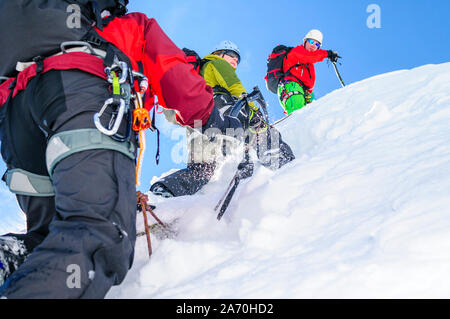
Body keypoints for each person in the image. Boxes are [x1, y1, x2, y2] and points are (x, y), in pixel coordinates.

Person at [0, 1, 238, 299]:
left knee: (48, 236)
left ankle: (9, 260)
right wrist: (212, 117)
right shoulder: (123, 26)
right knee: (95, 237)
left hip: (14, 115)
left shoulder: (35, 25)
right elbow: (175, 77)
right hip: (76, 98)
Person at [150, 41, 295, 198]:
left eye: (237, 59)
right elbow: (236, 88)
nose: (234, 61)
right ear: (219, 53)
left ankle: (165, 191)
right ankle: (284, 162)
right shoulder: (216, 62)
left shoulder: (196, 75)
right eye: (231, 55)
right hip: (220, 107)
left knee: (201, 170)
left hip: (198, 123)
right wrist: (253, 113)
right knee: (260, 132)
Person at [278, 29, 340, 114]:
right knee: (298, 116)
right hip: (291, 86)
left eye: (317, 44)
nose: (313, 45)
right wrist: (328, 53)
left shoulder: (309, 63)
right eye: (311, 41)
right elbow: (311, 56)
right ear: (305, 41)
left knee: (314, 116)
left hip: (306, 92)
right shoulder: (297, 51)